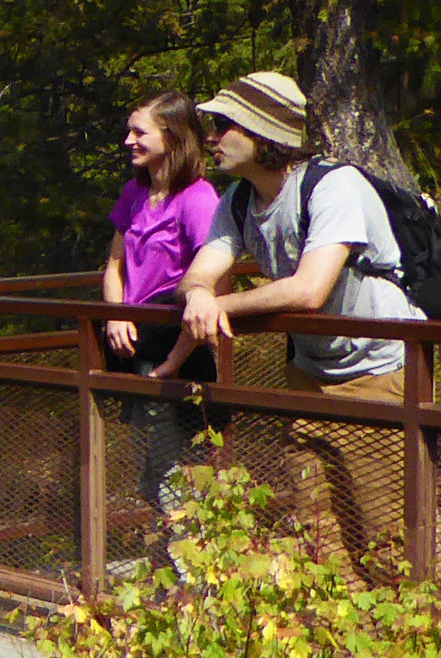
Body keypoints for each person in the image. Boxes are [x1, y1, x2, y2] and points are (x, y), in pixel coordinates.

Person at [167, 68, 424, 575]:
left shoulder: (334, 187)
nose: (212, 138)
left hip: (378, 374)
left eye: (225, 125)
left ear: (263, 133)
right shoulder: (239, 199)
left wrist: (218, 305)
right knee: (317, 532)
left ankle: (413, 645)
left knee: (385, 536)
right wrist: (199, 294)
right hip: (308, 375)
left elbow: (309, 289)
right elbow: (196, 277)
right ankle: (344, 649)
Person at [101, 92, 221, 519]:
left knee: (178, 471)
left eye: (139, 132)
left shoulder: (198, 198)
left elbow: (211, 286)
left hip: (177, 350)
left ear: (172, 137)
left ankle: (191, 574)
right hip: (136, 349)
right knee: (151, 468)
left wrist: (175, 359)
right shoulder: (134, 194)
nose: (128, 141)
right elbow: (115, 264)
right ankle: (170, 569)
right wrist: (117, 313)